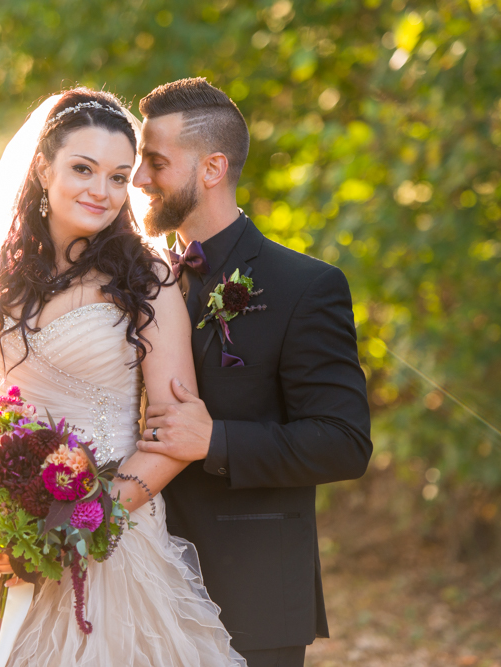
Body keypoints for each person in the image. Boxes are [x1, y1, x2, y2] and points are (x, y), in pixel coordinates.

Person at [0, 88, 245, 666]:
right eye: (83, 168)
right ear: (43, 168)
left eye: (119, 176)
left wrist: (86, 521)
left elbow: (175, 432)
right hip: (6, 537)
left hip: (111, 544)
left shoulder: (149, 279)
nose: (101, 190)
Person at [133, 78, 373, 667]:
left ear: (212, 167)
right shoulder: (131, 283)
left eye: (155, 162)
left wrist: (213, 441)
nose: (138, 179)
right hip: (136, 580)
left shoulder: (306, 287)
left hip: (251, 595)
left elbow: (344, 443)